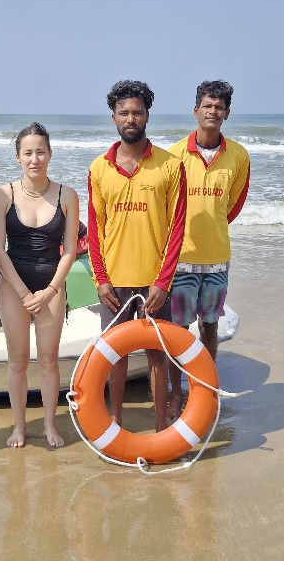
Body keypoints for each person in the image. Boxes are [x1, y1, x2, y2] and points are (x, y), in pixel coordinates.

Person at [86, 80, 186, 432]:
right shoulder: (99, 168)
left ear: (147, 116)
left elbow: (177, 228)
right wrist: (101, 280)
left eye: (137, 112)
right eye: (124, 113)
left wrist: (163, 282)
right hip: (114, 282)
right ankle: (115, 422)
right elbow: (95, 230)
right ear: (113, 117)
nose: (131, 119)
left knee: (157, 355)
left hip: (154, 282)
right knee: (115, 356)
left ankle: (160, 428)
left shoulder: (170, 166)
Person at [0, 123, 80, 448]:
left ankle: (49, 426)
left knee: (48, 359)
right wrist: (25, 293)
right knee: (17, 359)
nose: (34, 159)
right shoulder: (4, 195)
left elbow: (69, 250)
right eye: (27, 153)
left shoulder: (67, 195)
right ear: (18, 157)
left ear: (50, 154)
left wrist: (50, 291)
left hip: (51, 285)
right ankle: (19, 427)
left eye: (40, 152)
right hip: (13, 285)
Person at [166, 80, 250, 418]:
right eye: (207, 106)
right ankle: (176, 393)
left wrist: (211, 226)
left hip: (216, 258)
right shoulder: (174, 155)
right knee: (177, 331)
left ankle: (204, 390)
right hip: (181, 259)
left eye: (219, 107)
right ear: (195, 111)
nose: (212, 111)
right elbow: (165, 206)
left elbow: (234, 205)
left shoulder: (238, 156)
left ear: (227, 113)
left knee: (210, 326)